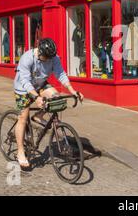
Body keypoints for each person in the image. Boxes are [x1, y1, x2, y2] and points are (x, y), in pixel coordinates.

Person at [13, 38, 84, 169]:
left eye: (49, 57)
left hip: (40, 83)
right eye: (45, 57)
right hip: (23, 87)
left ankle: (39, 116)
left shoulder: (53, 57)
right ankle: (20, 152)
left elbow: (61, 74)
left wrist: (72, 90)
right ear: (39, 52)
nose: (47, 60)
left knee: (56, 97)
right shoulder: (27, 58)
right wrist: (36, 98)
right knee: (23, 118)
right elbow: (26, 81)